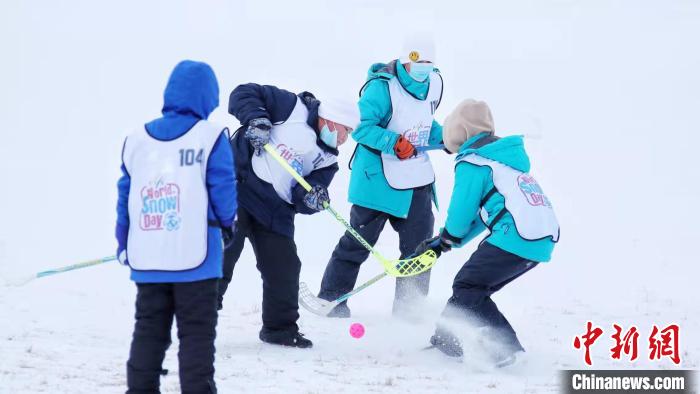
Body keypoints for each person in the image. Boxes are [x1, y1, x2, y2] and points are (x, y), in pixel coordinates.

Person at [115, 60, 237, 393]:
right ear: (209, 97)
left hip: (148, 255)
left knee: (148, 331)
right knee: (196, 335)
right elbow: (223, 187)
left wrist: (123, 240)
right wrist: (228, 224)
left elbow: (126, 194)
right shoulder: (210, 137)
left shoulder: (137, 139)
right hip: (196, 258)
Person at [414, 99, 560, 366]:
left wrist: (449, 236)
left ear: (460, 133)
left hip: (515, 234)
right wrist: (444, 242)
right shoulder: (503, 162)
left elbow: (461, 214)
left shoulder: (473, 163)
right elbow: (484, 216)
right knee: (472, 287)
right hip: (539, 238)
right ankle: (446, 342)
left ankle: (505, 348)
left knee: (468, 285)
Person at [218, 82, 359, 348]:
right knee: (223, 252)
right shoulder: (291, 107)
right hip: (238, 187)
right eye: (345, 130)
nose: (344, 139)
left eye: (349, 133)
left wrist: (312, 198)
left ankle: (279, 329)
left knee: (284, 267)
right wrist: (257, 119)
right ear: (332, 119)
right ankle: (197, 321)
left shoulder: (327, 160)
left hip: (274, 210)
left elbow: (302, 196)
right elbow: (242, 93)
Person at [317, 34, 445, 318]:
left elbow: (424, 123)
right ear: (404, 60)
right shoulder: (381, 87)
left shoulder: (434, 84)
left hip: (416, 180)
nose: (423, 67)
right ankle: (332, 300)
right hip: (378, 180)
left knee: (420, 252)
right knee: (358, 244)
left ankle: (409, 312)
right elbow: (361, 128)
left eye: (428, 62)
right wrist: (393, 142)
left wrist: (448, 137)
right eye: (417, 61)